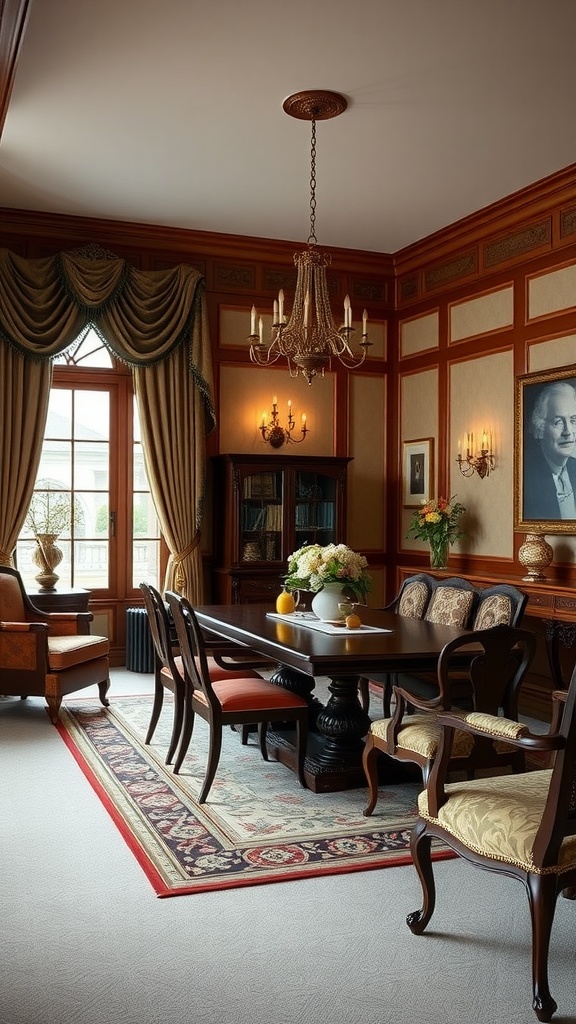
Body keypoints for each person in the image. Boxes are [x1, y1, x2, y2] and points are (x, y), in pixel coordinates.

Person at [524, 380, 576, 520]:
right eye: (558, 422)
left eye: (573, 420)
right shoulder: (527, 478)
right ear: (539, 428)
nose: (568, 432)